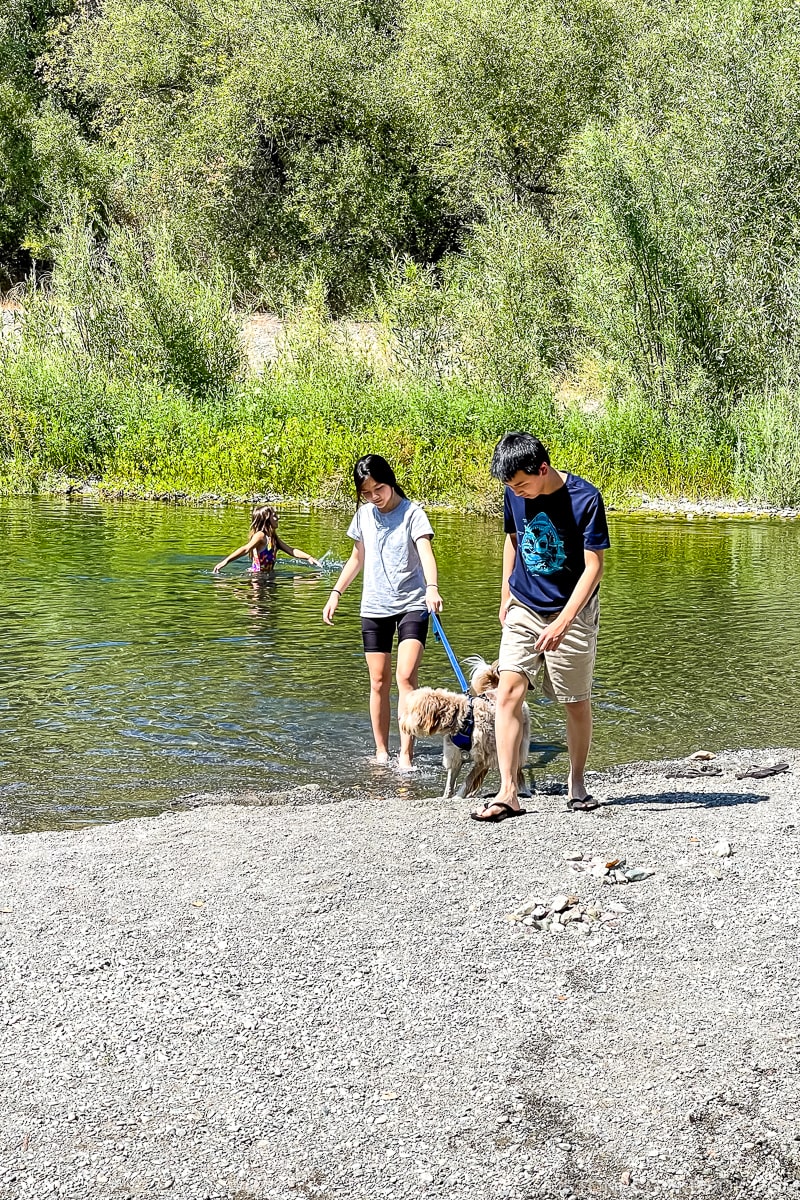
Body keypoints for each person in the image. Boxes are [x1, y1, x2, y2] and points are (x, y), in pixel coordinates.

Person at [471, 432, 610, 822]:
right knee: (507, 693)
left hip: (574, 611)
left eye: (522, 484)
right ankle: (508, 792)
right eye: (511, 486)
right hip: (524, 606)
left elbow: (595, 566)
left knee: (574, 700)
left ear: (543, 469)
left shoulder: (585, 499)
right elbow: (513, 542)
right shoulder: (514, 492)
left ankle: (577, 783)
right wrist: (504, 595)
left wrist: (564, 622)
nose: (517, 492)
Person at [322, 454, 443, 770]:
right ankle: (380, 751)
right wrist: (336, 593)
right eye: (367, 492)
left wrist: (432, 588)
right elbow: (356, 559)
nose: (374, 497)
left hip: (412, 605)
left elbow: (426, 554)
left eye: (379, 489)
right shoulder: (363, 516)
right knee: (378, 682)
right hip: (374, 606)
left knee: (405, 678)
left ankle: (406, 753)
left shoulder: (413, 514)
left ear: (390, 481)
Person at [213, 506, 321, 574]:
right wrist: (225, 562)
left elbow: (291, 550)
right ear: (266, 520)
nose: (277, 518)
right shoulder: (260, 536)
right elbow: (245, 549)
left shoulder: (273, 537)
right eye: (274, 516)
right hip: (257, 579)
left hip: (268, 577)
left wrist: (308, 557)